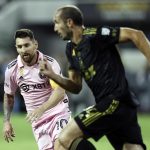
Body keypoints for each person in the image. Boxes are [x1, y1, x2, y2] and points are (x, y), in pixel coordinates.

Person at [39, 5, 149, 150]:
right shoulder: (70, 49)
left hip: (114, 101)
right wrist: (53, 75)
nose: (54, 28)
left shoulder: (96, 35)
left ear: (69, 22)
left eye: (56, 22)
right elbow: (76, 86)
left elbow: (136, 35)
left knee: (63, 141)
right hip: (119, 107)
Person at [3, 29, 71, 150]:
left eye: (26, 45)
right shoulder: (12, 69)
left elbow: (60, 92)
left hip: (58, 114)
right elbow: (9, 95)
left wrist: (41, 109)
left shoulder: (48, 63)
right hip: (37, 122)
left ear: (35, 44)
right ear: (16, 48)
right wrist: (7, 121)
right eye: (19, 46)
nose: (23, 50)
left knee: (61, 145)